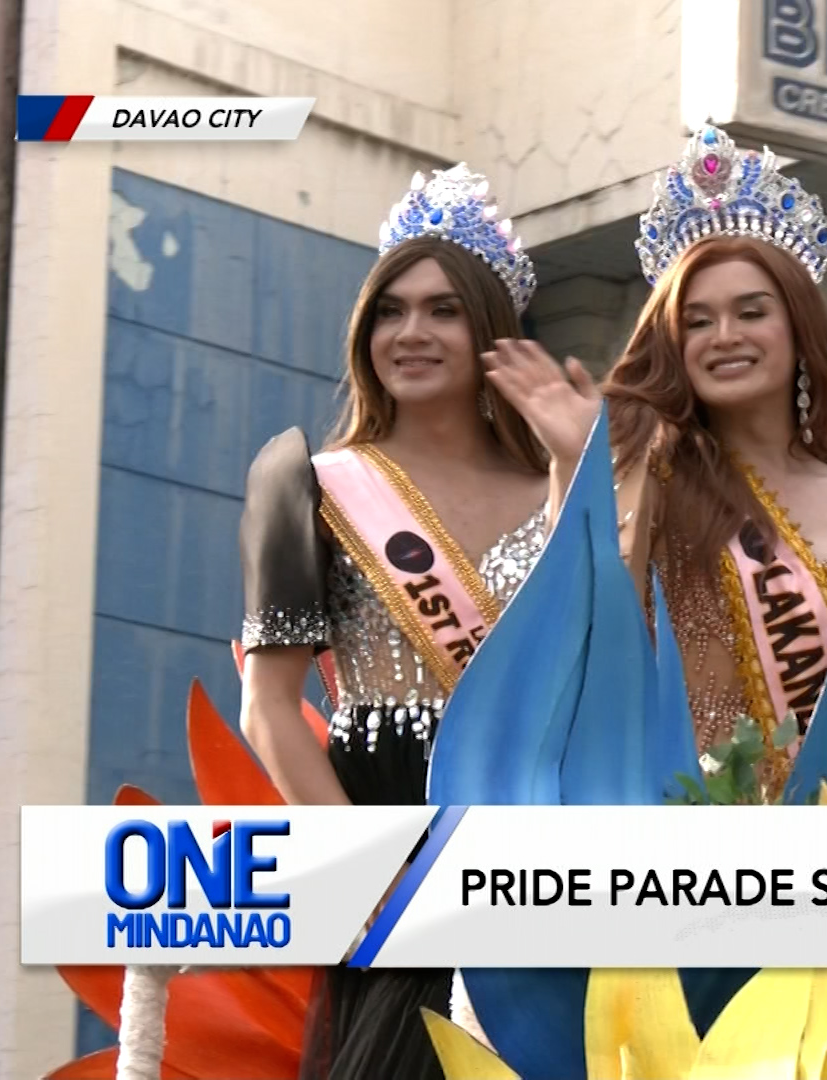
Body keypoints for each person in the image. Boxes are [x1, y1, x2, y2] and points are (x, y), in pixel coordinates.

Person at [481, 123, 827, 807]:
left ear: (798, 332)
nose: (726, 337)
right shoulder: (656, 480)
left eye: (751, 312)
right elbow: (592, 637)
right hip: (702, 842)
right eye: (698, 321)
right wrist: (578, 471)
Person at [235, 164, 548, 1080]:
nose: (411, 332)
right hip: (385, 819)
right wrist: (372, 873)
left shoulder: (565, 491)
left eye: (445, 309)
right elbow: (268, 707)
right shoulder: (312, 483)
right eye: (390, 310)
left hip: (534, 834)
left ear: (490, 329)